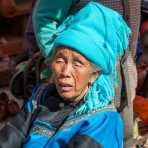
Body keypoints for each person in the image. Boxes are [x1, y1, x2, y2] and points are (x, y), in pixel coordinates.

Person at [0, 2, 131, 148]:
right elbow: (11, 137)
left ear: (95, 73)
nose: (65, 72)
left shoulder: (102, 122)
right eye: (60, 60)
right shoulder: (41, 97)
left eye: (77, 64)